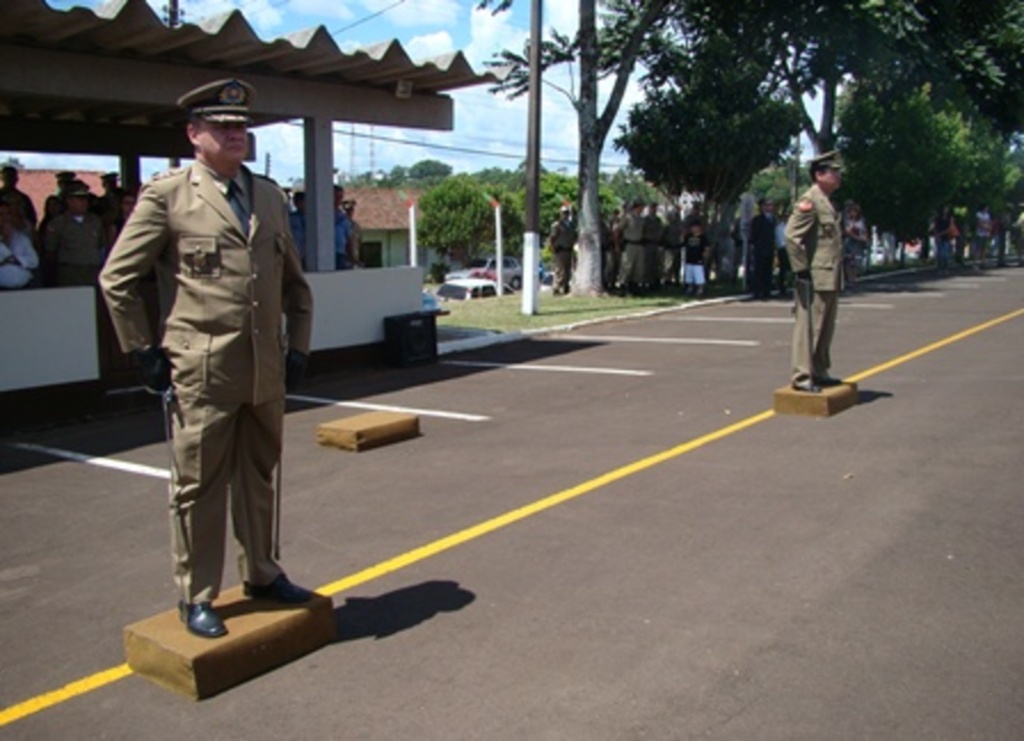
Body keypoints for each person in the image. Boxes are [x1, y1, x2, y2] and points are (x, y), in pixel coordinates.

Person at [99, 78, 315, 639]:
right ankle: (196, 595)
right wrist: (142, 349)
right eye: (222, 127)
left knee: (260, 475)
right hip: (202, 370)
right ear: (194, 135)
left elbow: (294, 283)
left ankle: (263, 574)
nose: (235, 135)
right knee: (198, 487)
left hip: (263, 369)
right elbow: (117, 279)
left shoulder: (267, 195)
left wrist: (299, 347)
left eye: (241, 127)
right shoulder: (168, 196)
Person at [785, 150, 844, 392]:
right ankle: (802, 376)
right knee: (809, 328)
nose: (839, 176)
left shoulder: (826, 201)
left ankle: (819, 370)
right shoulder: (809, 201)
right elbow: (791, 236)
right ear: (820, 175)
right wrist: (801, 270)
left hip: (829, 275)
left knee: (826, 328)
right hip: (815, 276)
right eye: (834, 172)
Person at [44, 180, 106, 286]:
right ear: (69, 201)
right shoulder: (58, 223)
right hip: (70, 273)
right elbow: (50, 251)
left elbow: (101, 245)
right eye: (80, 199)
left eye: (86, 199)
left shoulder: (95, 221)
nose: (84, 202)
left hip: (93, 272)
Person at [0, 199, 39, 289]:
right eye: (1, 214)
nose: (5, 218)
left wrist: (15, 260)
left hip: (23, 287)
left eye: (8, 214)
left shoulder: (21, 238)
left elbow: (34, 261)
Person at [749, 197, 777, 300]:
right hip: (759, 248)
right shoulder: (757, 219)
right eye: (767, 205)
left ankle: (767, 291)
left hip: (770, 248)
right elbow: (753, 235)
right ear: (762, 207)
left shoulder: (773, 219)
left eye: (771, 205)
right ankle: (757, 292)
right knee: (758, 270)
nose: (769, 207)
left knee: (768, 270)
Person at [548, 205, 576, 295]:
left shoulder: (571, 225)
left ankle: (565, 286)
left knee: (568, 270)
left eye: (567, 213)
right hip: (560, 250)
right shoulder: (557, 225)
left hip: (569, 249)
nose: (566, 215)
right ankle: (556, 288)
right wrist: (552, 247)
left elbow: (573, 236)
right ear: (561, 214)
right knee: (560, 270)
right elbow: (552, 237)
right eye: (564, 213)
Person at [842, 201, 868, 288]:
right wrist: (857, 237)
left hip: (858, 245)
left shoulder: (861, 221)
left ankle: (854, 277)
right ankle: (850, 279)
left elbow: (864, 231)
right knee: (849, 261)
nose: (854, 214)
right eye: (852, 211)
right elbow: (847, 232)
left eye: (855, 212)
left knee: (856, 262)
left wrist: (864, 238)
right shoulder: (846, 221)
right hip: (848, 243)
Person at [682, 218, 710, 297]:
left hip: (698, 259)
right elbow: (683, 243)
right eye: (692, 227)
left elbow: (706, 247)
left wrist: (705, 255)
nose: (694, 229)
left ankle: (700, 289)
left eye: (695, 227)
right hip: (689, 259)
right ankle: (690, 288)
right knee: (689, 275)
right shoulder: (688, 236)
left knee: (699, 275)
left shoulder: (703, 237)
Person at [930, 205, 956, 274]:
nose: (946, 210)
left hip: (947, 237)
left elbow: (950, 227)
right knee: (940, 254)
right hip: (939, 237)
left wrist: (941, 233)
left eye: (947, 209)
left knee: (946, 254)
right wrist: (936, 235)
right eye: (944, 209)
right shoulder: (937, 218)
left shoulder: (950, 218)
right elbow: (934, 227)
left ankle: (945, 268)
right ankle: (939, 268)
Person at [333, 184, 352, 270]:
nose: (338, 200)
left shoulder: (343, 217)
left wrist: (351, 257)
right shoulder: (321, 215)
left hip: (340, 254)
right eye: (336, 196)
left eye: (340, 197)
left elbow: (348, 238)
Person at [288, 187, 307, 265]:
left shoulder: (313, 219)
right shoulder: (290, 218)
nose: (300, 204)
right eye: (297, 202)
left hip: (309, 253)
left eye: (302, 201)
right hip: (296, 251)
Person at [342, 199, 362, 267]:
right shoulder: (340, 225)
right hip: (344, 258)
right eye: (347, 210)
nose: (349, 212)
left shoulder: (356, 226)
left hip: (355, 258)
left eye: (351, 210)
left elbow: (359, 242)